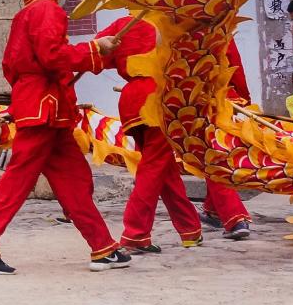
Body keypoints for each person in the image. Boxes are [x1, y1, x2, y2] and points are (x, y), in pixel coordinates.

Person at [0, 0, 129, 275]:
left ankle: (103, 248)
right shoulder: (47, 10)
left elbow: (11, 65)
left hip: (46, 108)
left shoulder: (24, 14)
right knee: (19, 179)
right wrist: (95, 49)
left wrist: (32, 88)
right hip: (46, 109)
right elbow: (53, 57)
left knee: (74, 181)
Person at [98, 16, 202, 252]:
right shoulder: (170, 21)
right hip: (157, 98)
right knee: (154, 167)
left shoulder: (122, 23)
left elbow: (98, 54)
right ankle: (135, 233)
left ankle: (190, 230)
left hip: (131, 97)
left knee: (163, 168)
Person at [197, 40, 253, 240]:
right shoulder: (222, 29)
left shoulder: (187, 30)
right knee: (216, 155)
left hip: (203, 104)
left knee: (212, 159)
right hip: (226, 102)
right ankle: (212, 211)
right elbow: (236, 68)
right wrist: (245, 99)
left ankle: (235, 218)